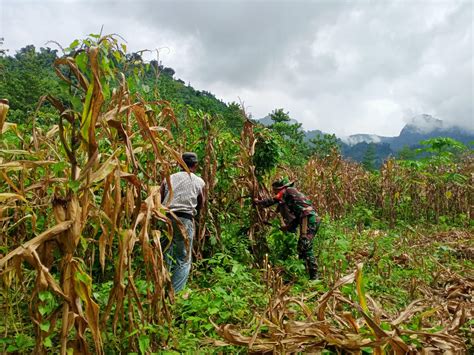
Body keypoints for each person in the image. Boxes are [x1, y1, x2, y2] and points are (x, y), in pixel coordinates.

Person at [254, 178, 321, 280]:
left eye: (275, 190)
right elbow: (297, 218)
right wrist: (288, 227)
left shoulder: (287, 191)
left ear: (281, 188)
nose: (274, 192)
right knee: (301, 246)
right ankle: (303, 272)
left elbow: (273, 200)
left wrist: (259, 202)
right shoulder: (291, 196)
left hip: (308, 219)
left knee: (305, 245)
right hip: (308, 218)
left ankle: (314, 276)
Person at [161, 152, 206, 292]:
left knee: (166, 252)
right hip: (185, 219)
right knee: (183, 258)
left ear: (180, 164)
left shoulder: (169, 178)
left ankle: (161, 287)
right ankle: (174, 293)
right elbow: (201, 202)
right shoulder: (199, 181)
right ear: (196, 165)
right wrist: (195, 214)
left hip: (166, 217)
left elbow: (159, 197)